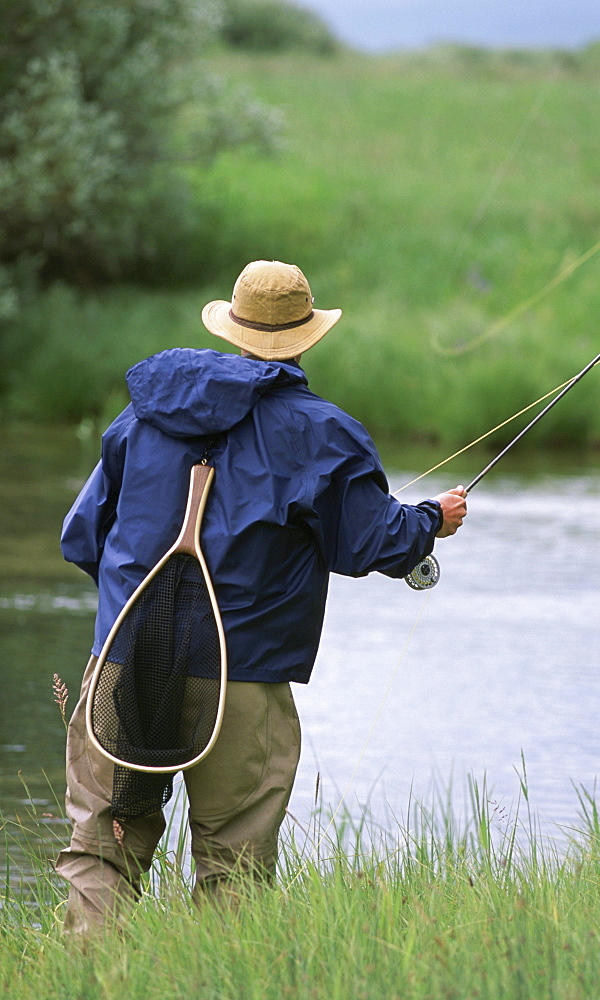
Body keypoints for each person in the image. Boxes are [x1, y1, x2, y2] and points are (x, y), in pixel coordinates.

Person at [54, 259, 467, 933]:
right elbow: (373, 544)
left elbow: (82, 538)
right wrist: (429, 522)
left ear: (232, 329)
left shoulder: (143, 415)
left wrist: (136, 610)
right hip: (242, 676)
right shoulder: (322, 431)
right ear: (305, 337)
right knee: (233, 865)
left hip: (124, 663)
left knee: (104, 849)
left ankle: (86, 981)